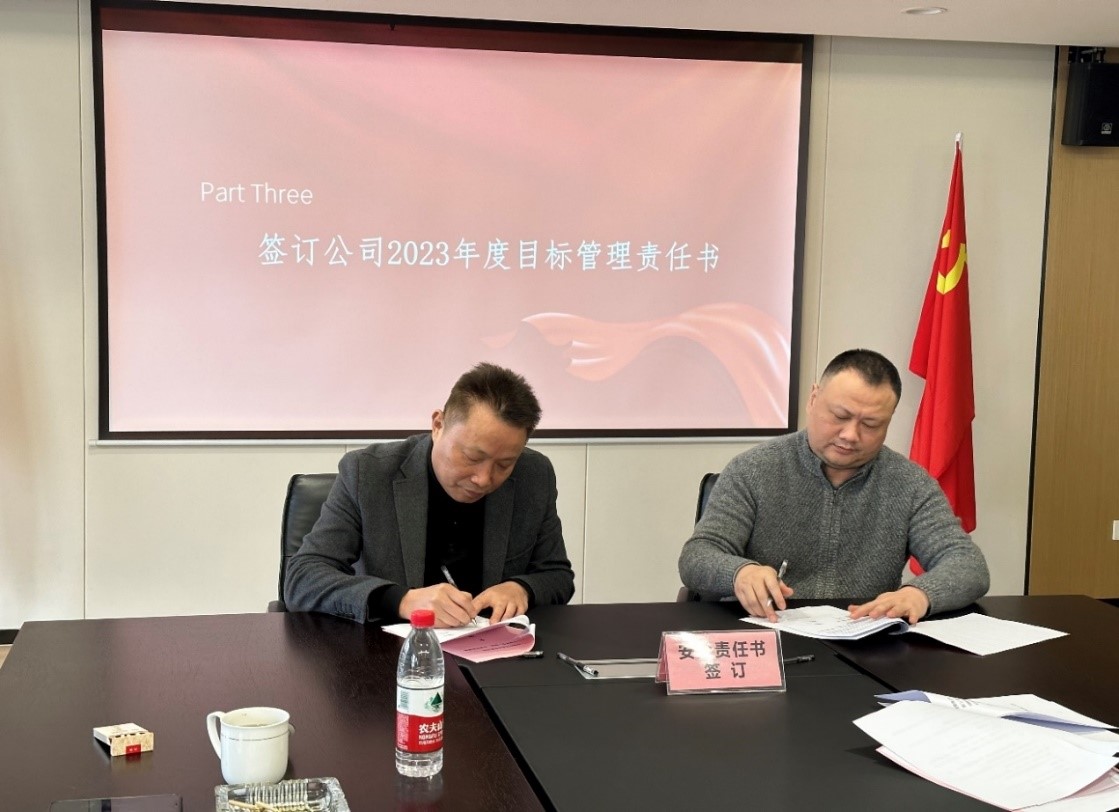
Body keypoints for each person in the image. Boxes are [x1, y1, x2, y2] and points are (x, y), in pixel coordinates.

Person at [678, 348, 989, 625]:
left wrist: (920, 594)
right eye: (840, 416)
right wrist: (740, 573)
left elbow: (967, 564)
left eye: (870, 424)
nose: (850, 435)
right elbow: (698, 555)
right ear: (814, 399)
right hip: (765, 634)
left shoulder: (910, 485)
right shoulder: (753, 470)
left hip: (864, 639)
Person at [284, 362, 575, 626]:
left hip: (493, 653)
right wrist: (402, 600)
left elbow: (557, 575)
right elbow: (303, 578)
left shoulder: (534, 476)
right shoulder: (368, 473)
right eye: (472, 457)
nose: (484, 478)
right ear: (438, 425)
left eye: (504, 464)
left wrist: (521, 588)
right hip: (390, 653)